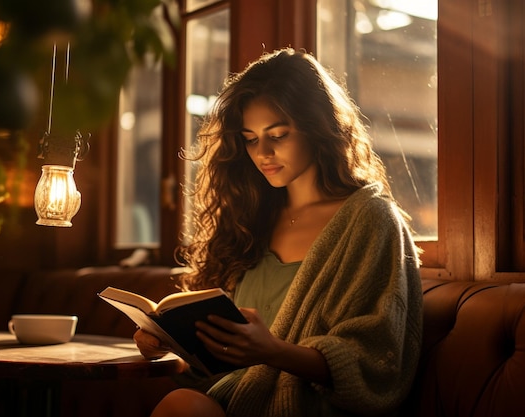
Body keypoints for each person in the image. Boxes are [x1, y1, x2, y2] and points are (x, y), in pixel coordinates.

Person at [134, 47, 423, 417]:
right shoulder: (251, 217)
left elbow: (376, 359)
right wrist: (173, 341)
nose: (263, 153)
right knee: (183, 404)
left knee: (182, 407)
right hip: (230, 398)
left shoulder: (369, 218)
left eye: (279, 134)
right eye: (251, 139)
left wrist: (272, 351)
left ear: (319, 127)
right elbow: (222, 355)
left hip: (305, 406)